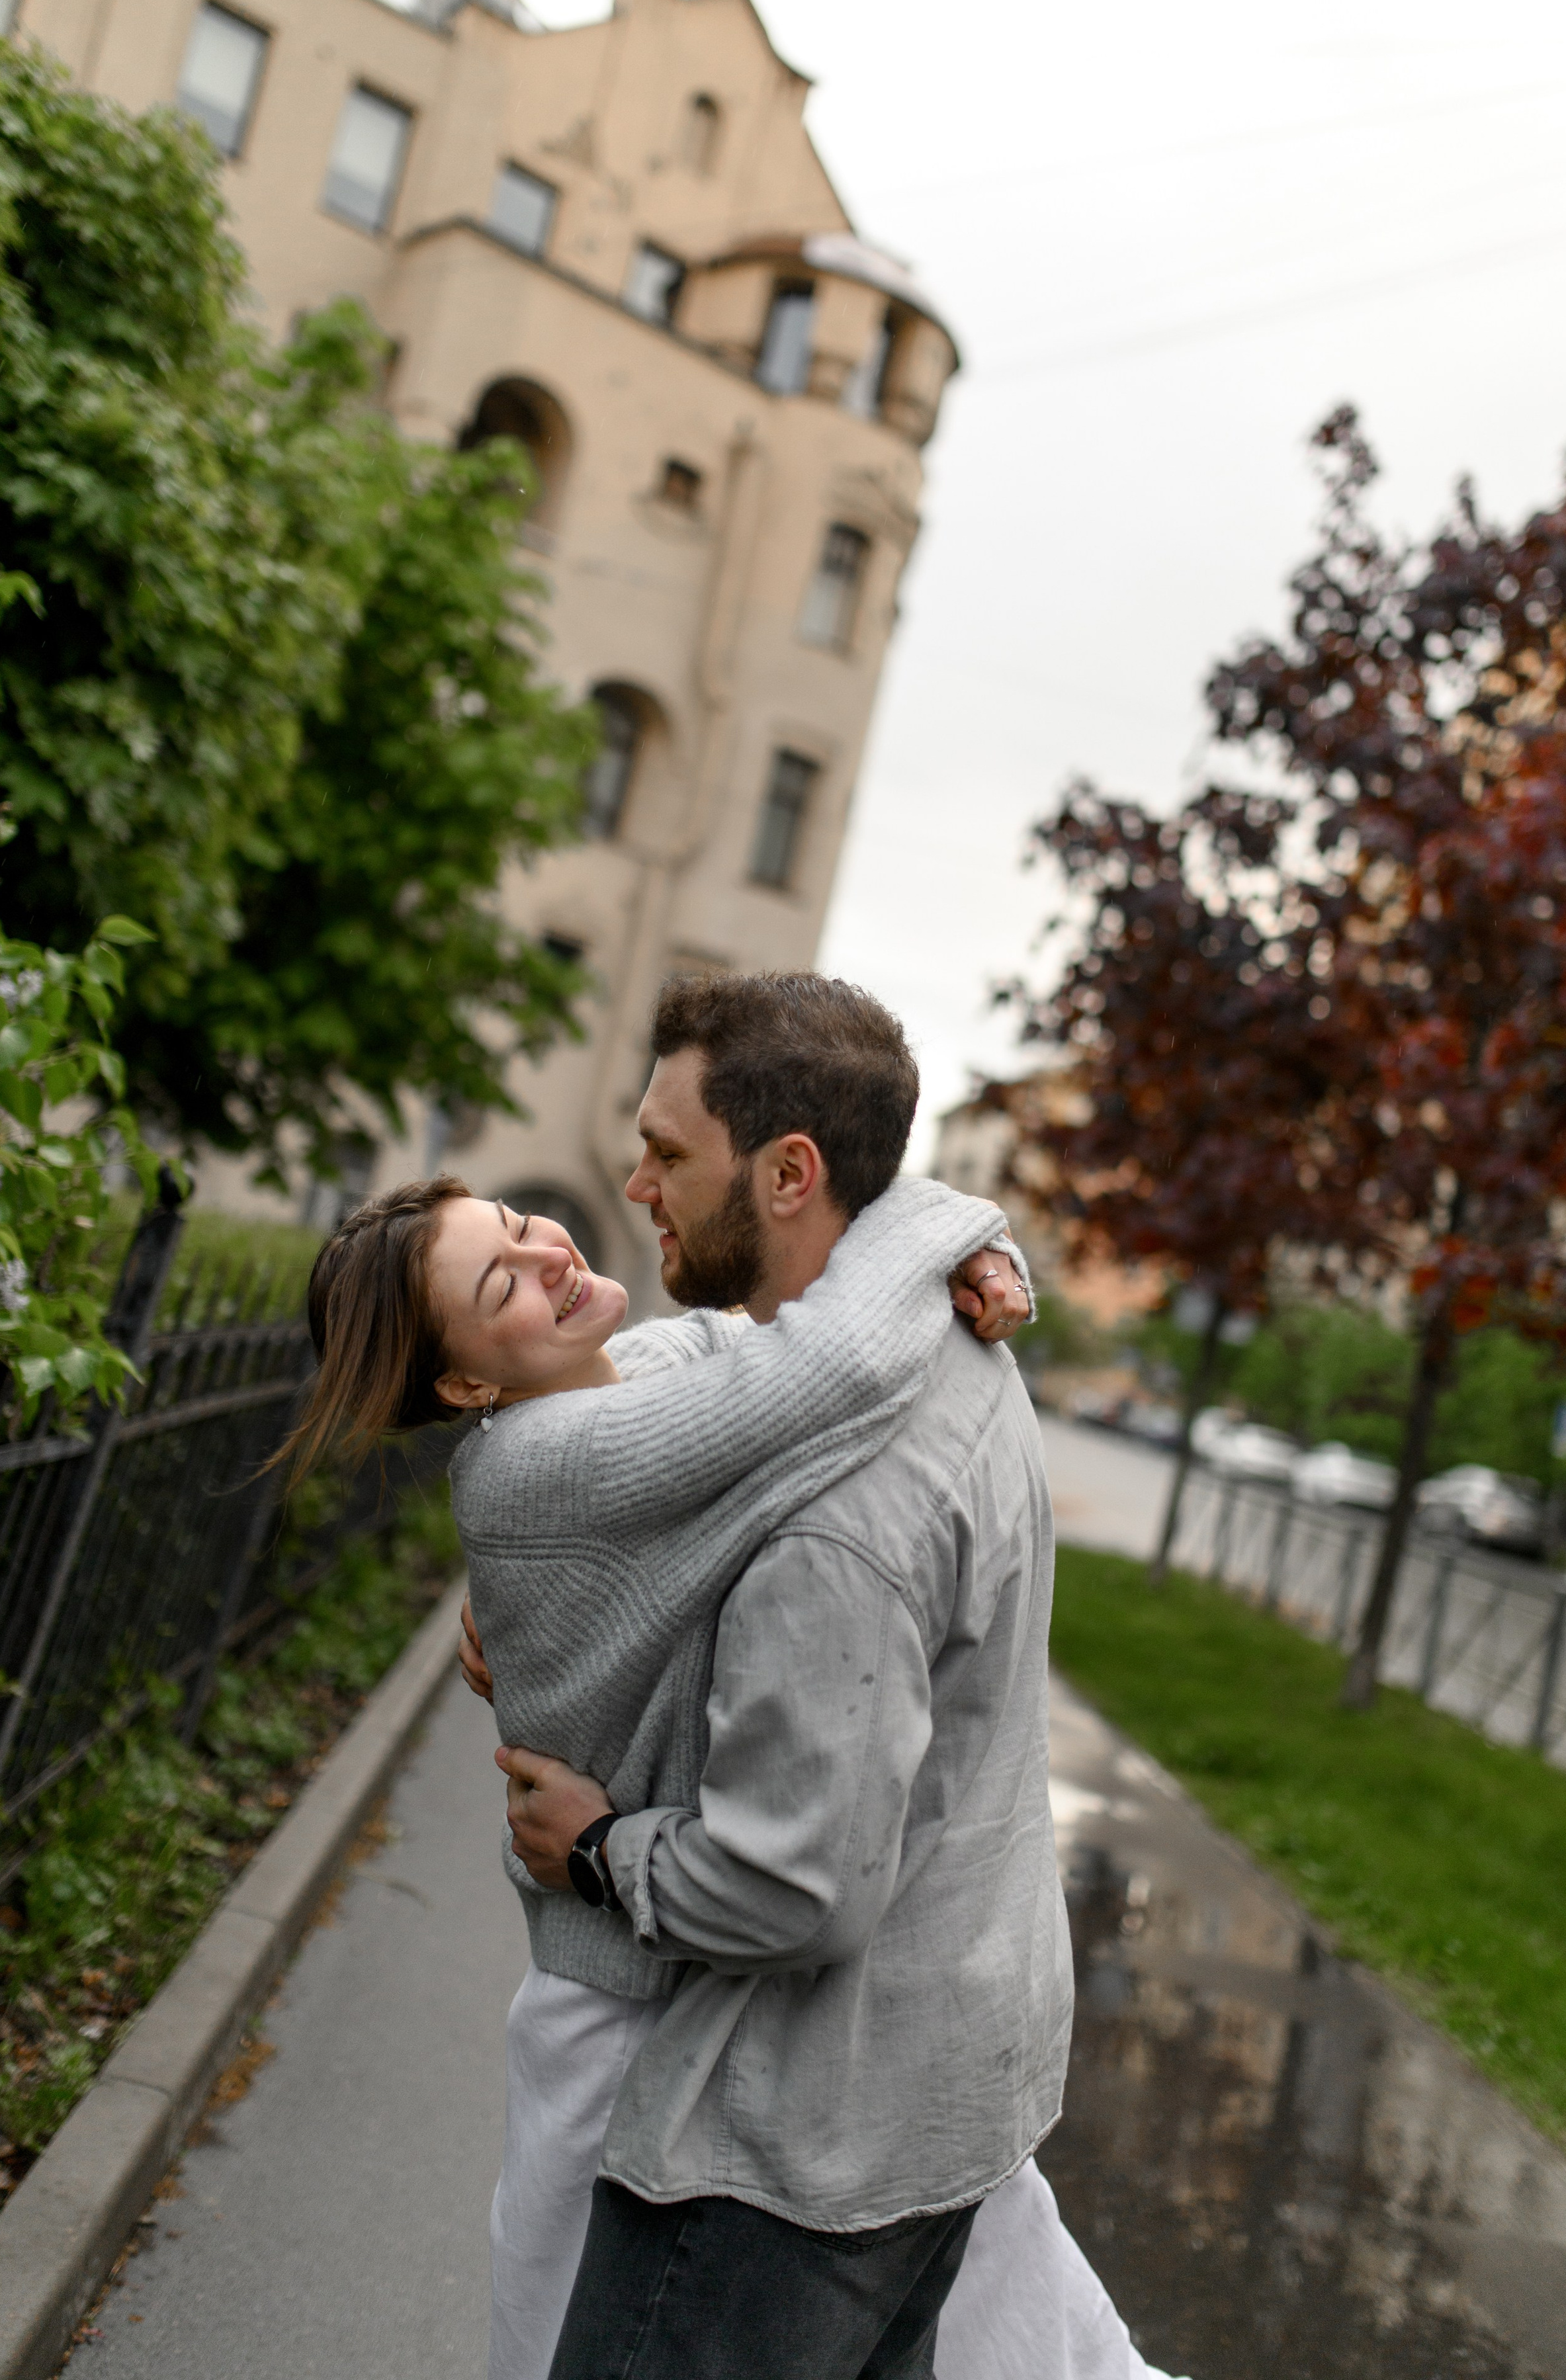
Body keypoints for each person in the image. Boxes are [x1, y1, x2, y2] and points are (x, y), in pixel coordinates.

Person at [289, 972, 1178, 2380]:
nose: (612, 1198)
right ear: (461, 1386)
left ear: (783, 1171)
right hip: (653, 2005)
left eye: (524, 1225)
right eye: (497, 1277)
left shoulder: (688, 1406)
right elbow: (797, 1372)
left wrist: (945, 1247)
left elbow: (738, 1352)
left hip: (798, 2053)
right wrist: (951, 1231)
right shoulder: (595, 1453)